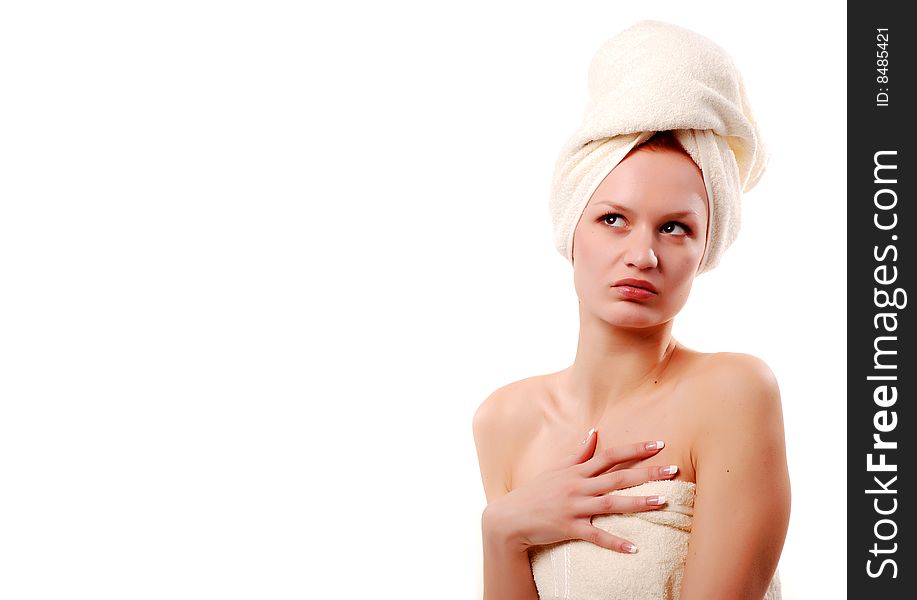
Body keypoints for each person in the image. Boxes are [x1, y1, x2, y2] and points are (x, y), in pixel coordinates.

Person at [472, 20, 790, 600]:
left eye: (674, 228)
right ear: (572, 230)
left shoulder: (733, 393)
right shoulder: (504, 421)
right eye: (613, 218)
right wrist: (500, 534)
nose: (641, 255)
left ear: (705, 249)